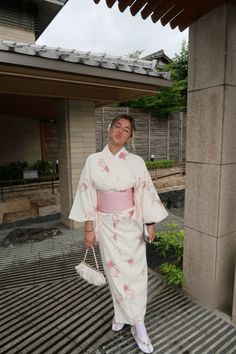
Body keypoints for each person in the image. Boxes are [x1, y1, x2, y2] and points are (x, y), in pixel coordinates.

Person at [69, 114, 168, 353]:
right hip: (104, 223)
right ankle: (121, 314)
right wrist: (89, 228)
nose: (120, 131)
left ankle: (138, 322)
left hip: (131, 223)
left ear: (130, 136)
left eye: (126, 129)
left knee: (135, 272)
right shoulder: (94, 160)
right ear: (109, 128)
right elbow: (87, 194)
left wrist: (150, 222)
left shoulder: (136, 162)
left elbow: (145, 191)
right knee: (113, 272)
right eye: (117, 126)